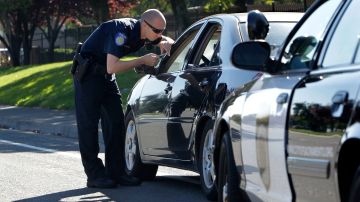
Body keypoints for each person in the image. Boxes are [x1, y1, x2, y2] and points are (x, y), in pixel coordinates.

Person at [72, 9, 174, 189]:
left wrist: (165, 42)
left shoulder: (145, 31)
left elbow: (162, 40)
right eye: (157, 31)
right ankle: (94, 175)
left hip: (105, 78)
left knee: (116, 123)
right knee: (88, 126)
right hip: (89, 76)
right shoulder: (121, 31)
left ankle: (116, 172)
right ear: (144, 24)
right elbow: (112, 66)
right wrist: (141, 60)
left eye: (162, 30)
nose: (160, 34)